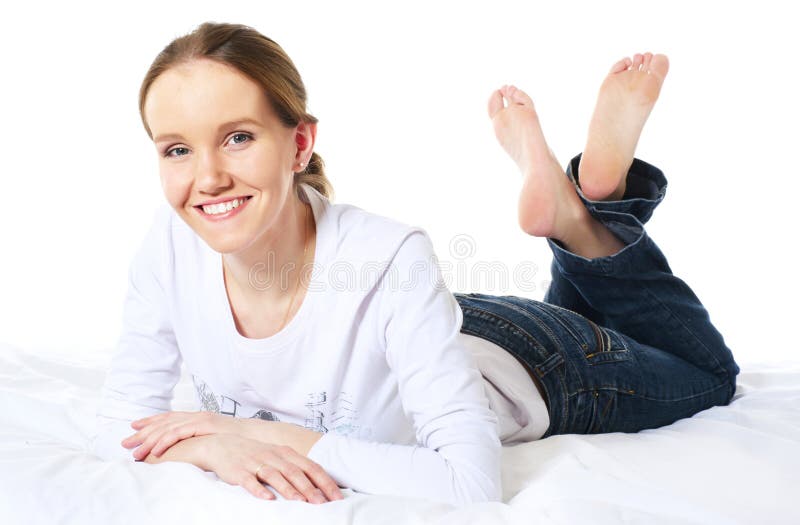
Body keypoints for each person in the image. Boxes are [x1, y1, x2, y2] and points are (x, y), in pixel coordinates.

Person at [89, 22, 740, 507]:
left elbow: (470, 481)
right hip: (433, 334)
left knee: (709, 375)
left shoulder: (386, 255)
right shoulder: (170, 245)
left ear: (299, 143)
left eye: (238, 137)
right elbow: (123, 418)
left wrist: (252, 432)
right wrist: (214, 444)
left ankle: (589, 207)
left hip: (545, 370)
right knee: (592, 308)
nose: (206, 177)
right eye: (176, 149)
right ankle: (583, 210)